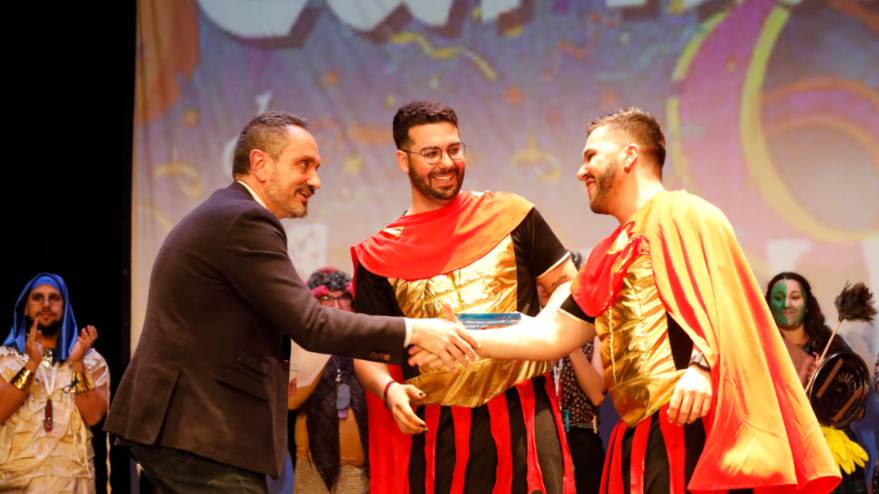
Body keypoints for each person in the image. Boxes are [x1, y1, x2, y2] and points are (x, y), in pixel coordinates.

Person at [425, 107, 841, 492]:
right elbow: (553, 333)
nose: (580, 171)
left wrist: (702, 367)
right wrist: (462, 339)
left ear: (629, 155)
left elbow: (730, 306)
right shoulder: (606, 253)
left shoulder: (685, 213)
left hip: (686, 425)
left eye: (591, 156)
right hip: (635, 435)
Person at [105, 111, 477, 493]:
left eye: (316, 167)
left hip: (187, 432)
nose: (315, 180)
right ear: (260, 164)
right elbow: (313, 324)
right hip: (197, 433)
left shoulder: (229, 215)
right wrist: (416, 330)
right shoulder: (244, 220)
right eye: (304, 165)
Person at [353, 100, 578, 493]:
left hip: (526, 413)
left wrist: (543, 331)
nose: (446, 163)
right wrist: (389, 390)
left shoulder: (512, 214)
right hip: (439, 432)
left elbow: (567, 284)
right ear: (403, 161)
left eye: (454, 149)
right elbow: (368, 354)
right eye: (431, 153)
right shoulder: (378, 256)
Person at [1, 272, 109, 492]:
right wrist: (32, 363)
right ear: (25, 308)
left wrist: (77, 363)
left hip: (73, 484)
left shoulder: (91, 360)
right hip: (17, 483)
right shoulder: (5, 359)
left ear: (65, 306)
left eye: (54, 298)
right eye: (38, 298)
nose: (46, 304)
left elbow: (93, 416)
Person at [766, 272, 868, 493]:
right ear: (768, 305)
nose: (786, 304)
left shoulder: (831, 344)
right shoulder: (760, 347)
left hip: (832, 455)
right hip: (778, 454)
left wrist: (825, 381)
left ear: (807, 304)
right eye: (779, 298)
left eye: (795, 297)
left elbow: (857, 407)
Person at [289, 267, 369, 493]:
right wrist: (320, 346)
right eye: (326, 299)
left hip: (358, 470)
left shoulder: (368, 344)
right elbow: (291, 401)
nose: (337, 306)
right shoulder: (300, 346)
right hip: (310, 465)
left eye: (344, 297)